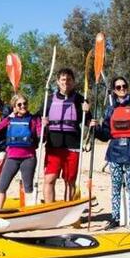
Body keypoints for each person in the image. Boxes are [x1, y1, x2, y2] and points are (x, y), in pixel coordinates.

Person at [94, 76, 130, 230]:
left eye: (124, 86)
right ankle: (115, 218)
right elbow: (105, 134)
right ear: (114, 90)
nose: (121, 89)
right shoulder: (110, 109)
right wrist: (95, 128)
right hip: (114, 153)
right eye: (118, 87)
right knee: (116, 186)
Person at [0, 94, 42, 209]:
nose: (23, 106)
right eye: (19, 104)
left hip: (28, 157)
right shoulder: (10, 119)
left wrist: (44, 127)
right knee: (2, 186)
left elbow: (40, 135)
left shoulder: (34, 119)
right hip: (12, 158)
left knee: (28, 187)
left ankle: (31, 211)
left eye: (25, 103)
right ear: (14, 107)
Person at [40, 68, 91, 202]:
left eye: (69, 79)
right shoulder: (49, 99)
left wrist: (88, 112)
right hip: (53, 146)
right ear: (58, 82)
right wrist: (42, 121)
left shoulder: (80, 100)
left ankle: (68, 210)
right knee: (49, 179)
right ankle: (49, 209)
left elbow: (88, 122)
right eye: (63, 79)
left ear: (73, 82)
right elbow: (37, 119)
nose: (66, 82)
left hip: (73, 146)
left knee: (70, 180)